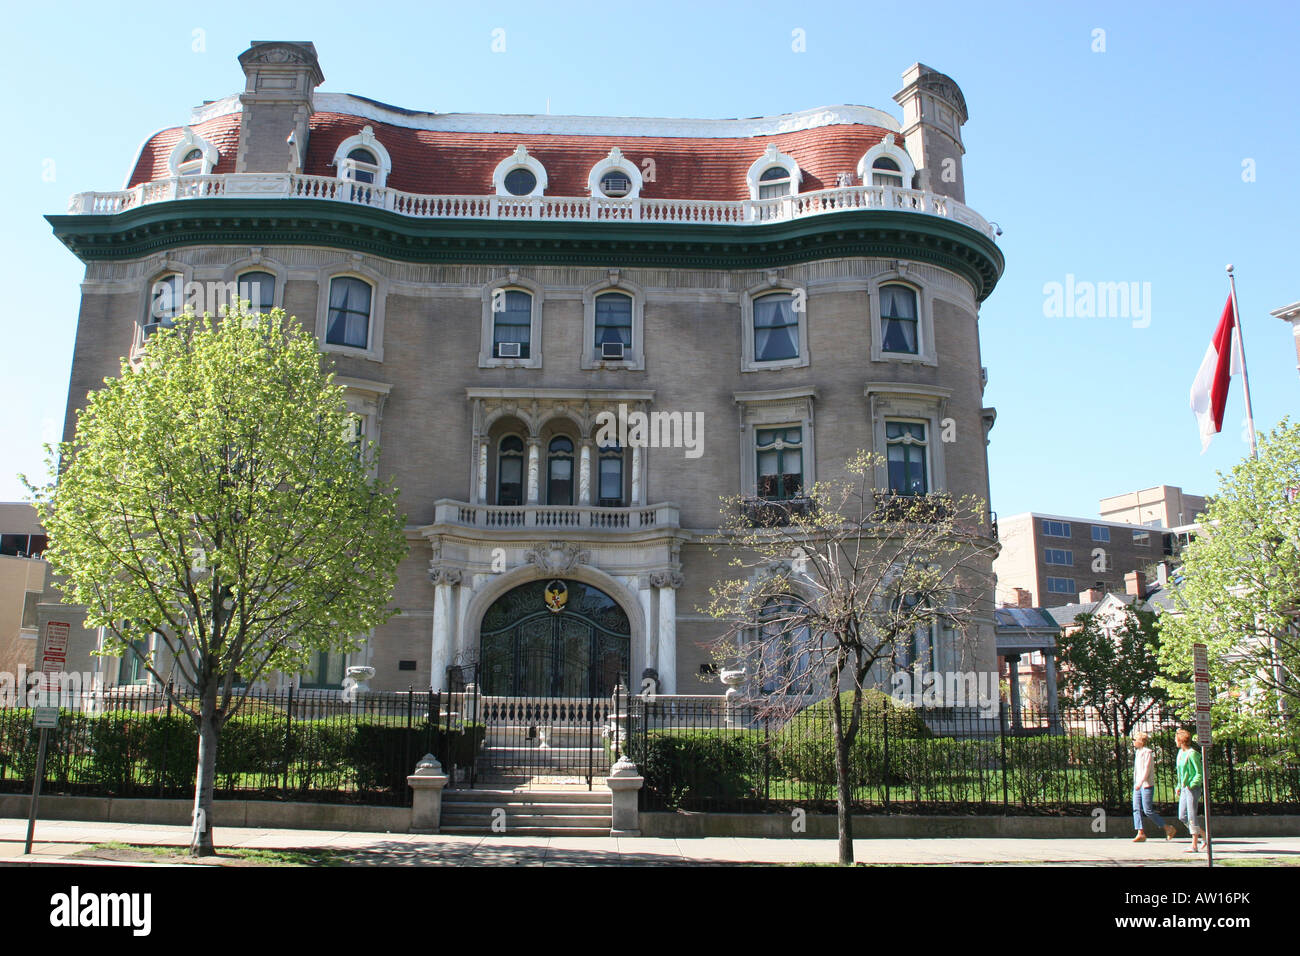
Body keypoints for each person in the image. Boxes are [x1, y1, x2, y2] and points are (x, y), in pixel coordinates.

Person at [1131, 731, 1175, 842]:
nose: (1134, 742)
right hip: (1138, 785)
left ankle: (1168, 828)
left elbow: (1147, 769)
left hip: (1146, 785)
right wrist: (1137, 782)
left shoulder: (1147, 752)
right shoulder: (1137, 752)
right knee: (1136, 808)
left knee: (1147, 810)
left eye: (1135, 739)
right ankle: (1140, 832)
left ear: (1141, 741)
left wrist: (1141, 782)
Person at [1175, 728, 1206, 852]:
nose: (1175, 742)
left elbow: (1199, 772)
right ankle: (1204, 835)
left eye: (1176, 739)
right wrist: (1179, 786)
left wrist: (1192, 784)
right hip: (1183, 788)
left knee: (1192, 815)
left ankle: (1194, 844)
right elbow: (1180, 773)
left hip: (1192, 788)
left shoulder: (1192, 753)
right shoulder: (1180, 753)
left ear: (1181, 740)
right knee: (1182, 816)